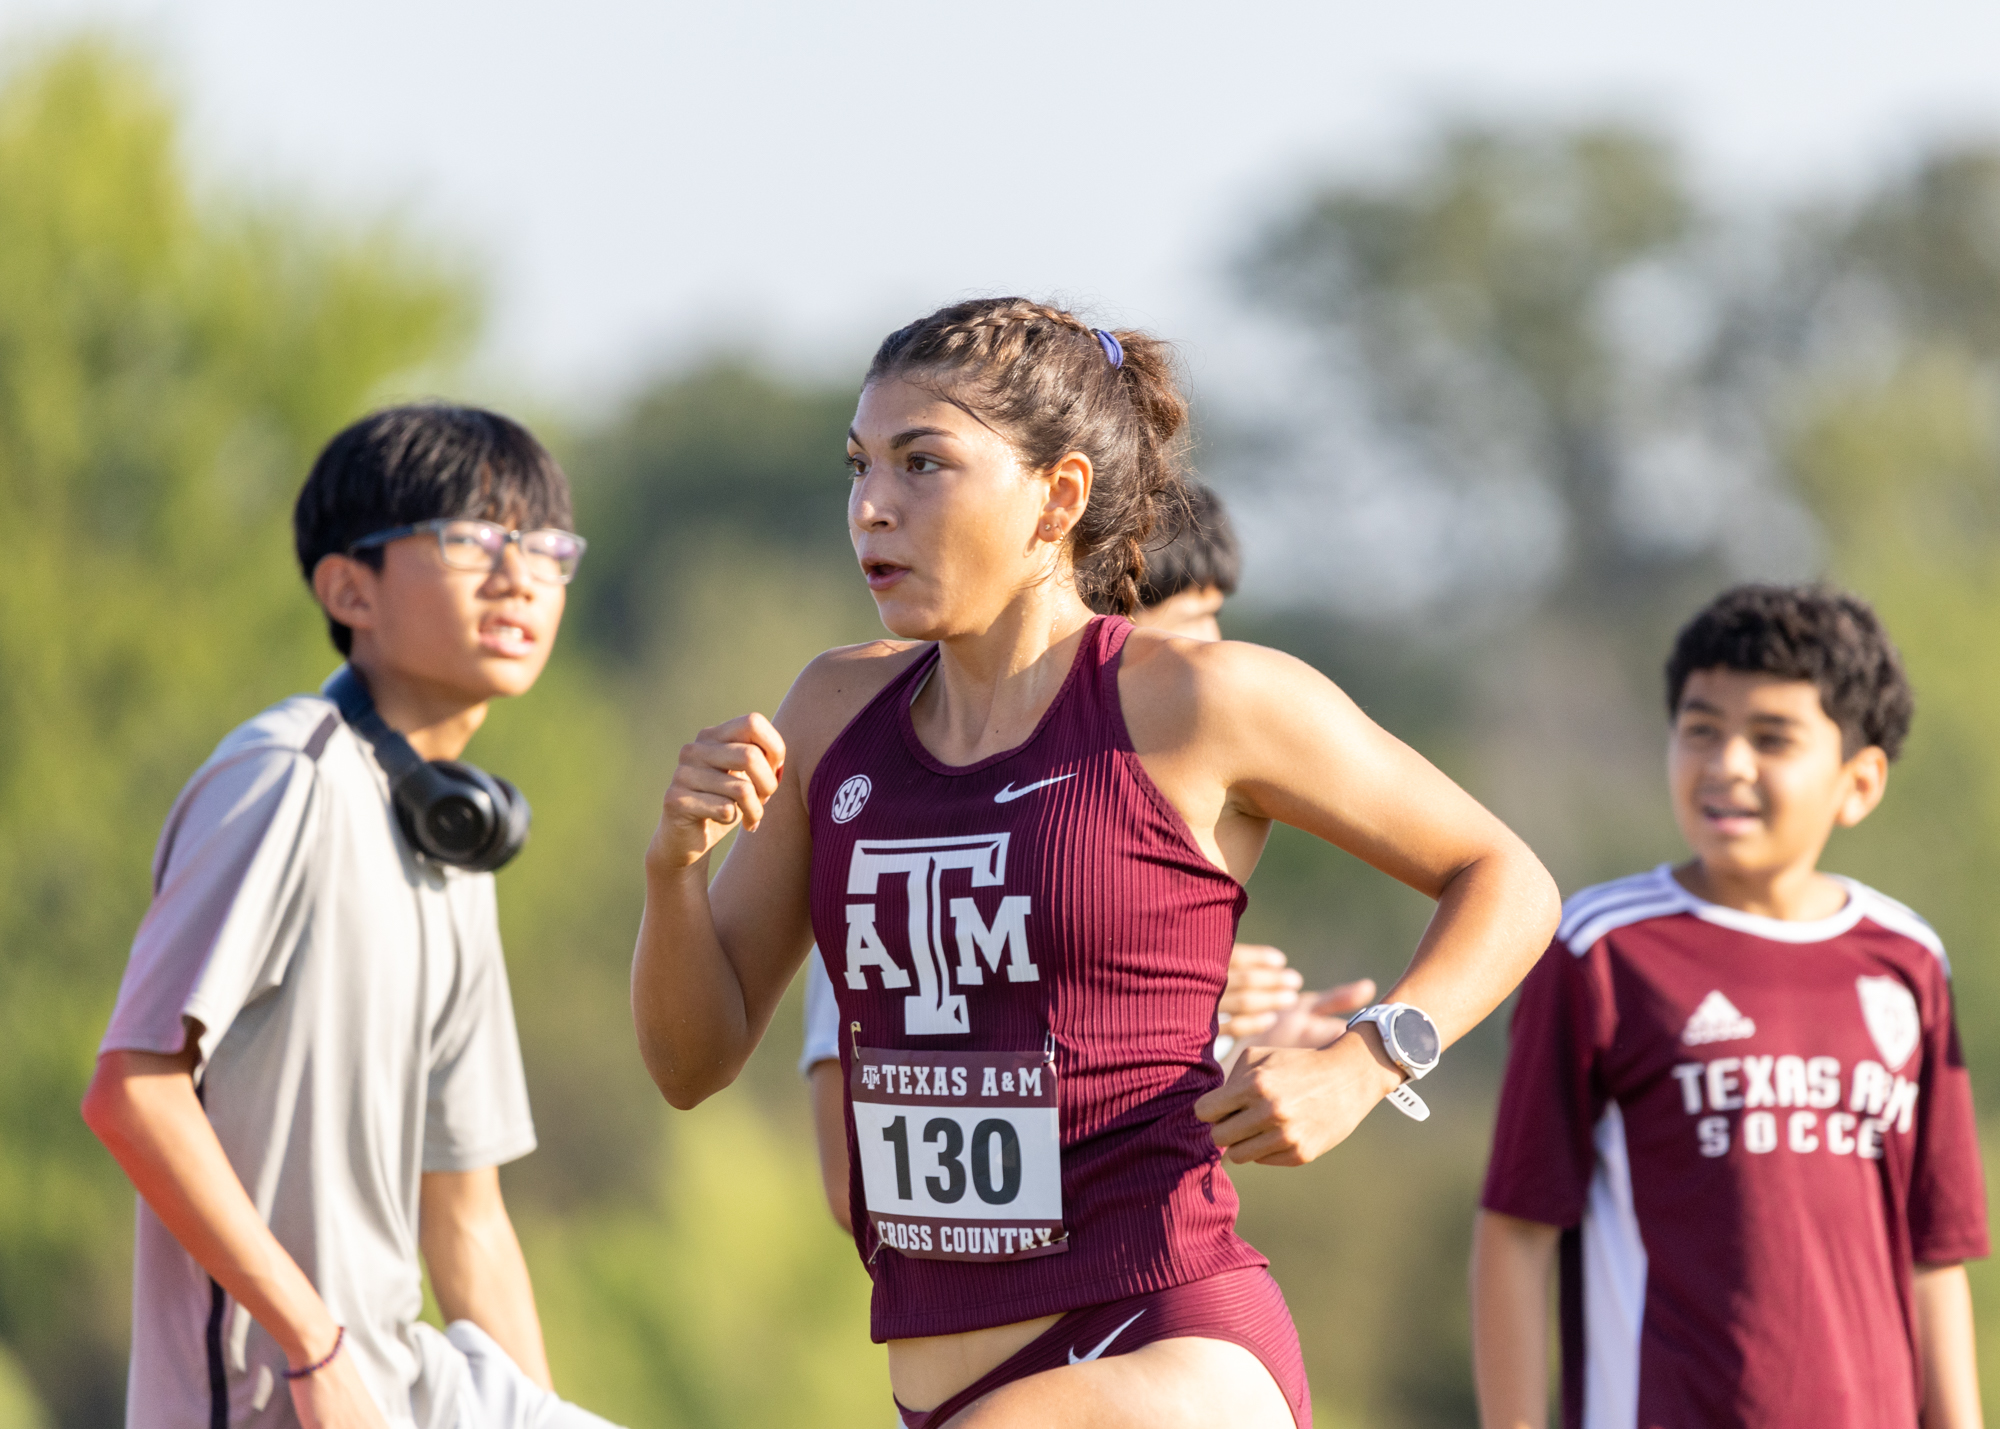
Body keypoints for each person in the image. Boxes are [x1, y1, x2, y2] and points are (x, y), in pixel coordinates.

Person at [631, 297, 1560, 1429]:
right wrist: (673, 870)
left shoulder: (1199, 701)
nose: (870, 505)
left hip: (1163, 1335)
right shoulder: (831, 712)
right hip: (936, 1378)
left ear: (1056, 498)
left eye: (923, 463)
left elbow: (1505, 877)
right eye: (858, 464)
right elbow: (691, 1061)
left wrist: (1368, 1061)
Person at [82, 407, 623, 1429]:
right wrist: (313, 1345)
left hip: (408, 1385)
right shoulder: (287, 778)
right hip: (272, 1400)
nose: (521, 577)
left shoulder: (452, 837)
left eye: (547, 549)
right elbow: (133, 1092)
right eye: (472, 540)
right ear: (348, 589)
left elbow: (465, 1214)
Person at [1470, 584, 1987, 1429]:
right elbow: (1516, 1230)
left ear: (1858, 782)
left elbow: (1934, 1252)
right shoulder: (1600, 949)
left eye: (1772, 738)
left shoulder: (1909, 958)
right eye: (1701, 730)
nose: (1726, 764)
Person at [794, 483, 1375, 1229]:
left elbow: (1110, 1155)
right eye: (1193, 627)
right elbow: (861, 1189)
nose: (1217, 658)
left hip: (1144, 1302)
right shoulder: (889, 864)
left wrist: (1236, 1053)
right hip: (967, 1329)